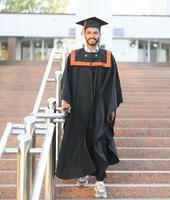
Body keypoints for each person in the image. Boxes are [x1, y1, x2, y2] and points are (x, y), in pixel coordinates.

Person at [56, 16, 123, 198]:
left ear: (100, 34)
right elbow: (67, 82)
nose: (92, 35)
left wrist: (111, 107)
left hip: (99, 110)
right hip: (78, 108)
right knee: (79, 141)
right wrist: (66, 100)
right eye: (89, 32)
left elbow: (112, 85)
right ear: (83, 33)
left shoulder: (107, 58)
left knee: (99, 142)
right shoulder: (74, 57)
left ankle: (100, 182)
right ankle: (82, 174)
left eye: (95, 32)